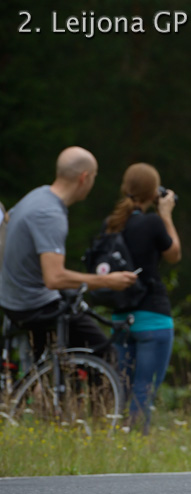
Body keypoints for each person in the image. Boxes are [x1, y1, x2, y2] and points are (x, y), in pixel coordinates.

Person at [0, 147, 138, 360]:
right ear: (84, 178)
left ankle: (54, 386)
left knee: (68, 353)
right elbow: (54, 278)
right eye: (94, 177)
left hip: (12, 301)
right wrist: (107, 281)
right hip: (34, 305)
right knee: (105, 354)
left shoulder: (37, 196)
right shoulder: (50, 214)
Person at [105, 163, 181, 434]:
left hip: (120, 317)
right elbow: (174, 254)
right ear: (153, 193)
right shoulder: (152, 223)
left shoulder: (112, 224)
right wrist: (166, 214)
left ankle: (118, 444)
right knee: (143, 391)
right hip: (153, 318)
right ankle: (136, 444)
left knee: (121, 389)